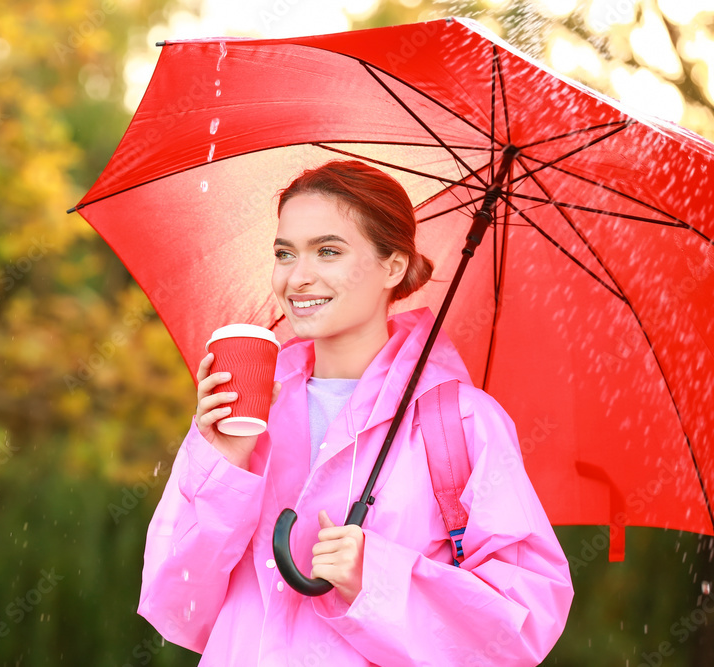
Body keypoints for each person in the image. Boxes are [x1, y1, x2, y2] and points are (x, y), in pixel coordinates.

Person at [138, 160, 573, 666]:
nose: (298, 278)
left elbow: (523, 625)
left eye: (328, 251)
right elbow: (180, 606)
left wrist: (377, 577)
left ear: (393, 266)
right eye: (284, 253)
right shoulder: (252, 412)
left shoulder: (462, 422)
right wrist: (224, 464)